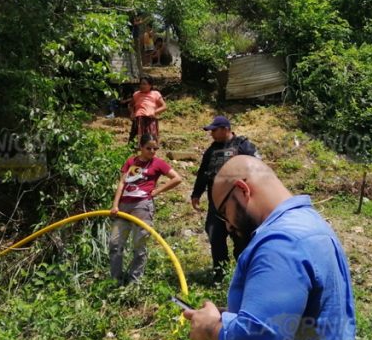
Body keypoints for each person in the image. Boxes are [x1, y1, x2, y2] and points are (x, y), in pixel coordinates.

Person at [183, 155, 356, 340]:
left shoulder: (280, 243)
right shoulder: (313, 227)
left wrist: (210, 328)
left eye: (224, 213)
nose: (228, 226)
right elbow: (295, 320)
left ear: (242, 190)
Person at [190, 115, 259, 282]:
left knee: (242, 242)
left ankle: (244, 277)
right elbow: (202, 173)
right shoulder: (211, 150)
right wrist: (196, 194)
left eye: (214, 130)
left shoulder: (244, 146)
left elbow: (258, 170)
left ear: (226, 129)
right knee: (216, 238)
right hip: (216, 205)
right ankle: (220, 277)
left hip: (239, 205)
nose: (211, 133)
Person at [108, 133, 182, 284]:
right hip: (123, 206)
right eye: (149, 148)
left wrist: (158, 191)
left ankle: (135, 281)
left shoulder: (158, 163)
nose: (152, 151)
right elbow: (122, 183)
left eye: (155, 148)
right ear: (141, 147)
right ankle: (115, 279)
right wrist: (115, 204)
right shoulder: (131, 161)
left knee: (139, 244)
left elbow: (177, 178)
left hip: (142, 206)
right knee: (115, 244)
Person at [128, 76, 165, 144]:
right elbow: (130, 105)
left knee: (150, 141)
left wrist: (154, 112)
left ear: (150, 85)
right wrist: (132, 113)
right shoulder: (136, 94)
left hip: (150, 120)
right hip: (138, 119)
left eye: (144, 84)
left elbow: (164, 106)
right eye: (141, 84)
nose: (142, 86)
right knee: (136, 141)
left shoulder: (155, 94)